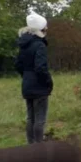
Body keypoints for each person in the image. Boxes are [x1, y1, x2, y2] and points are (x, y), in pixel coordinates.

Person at [15, 13, 53, 145]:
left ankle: (31, 145)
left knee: (30, 118)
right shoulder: (40, 45)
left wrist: (26, 76)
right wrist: (48, 82)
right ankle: (39, 147)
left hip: (27, 85)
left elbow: (18, 65)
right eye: (45, 27)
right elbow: (40, 68)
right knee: (40, 119)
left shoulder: (23, 44)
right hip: (39, 86)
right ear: (41, 29)